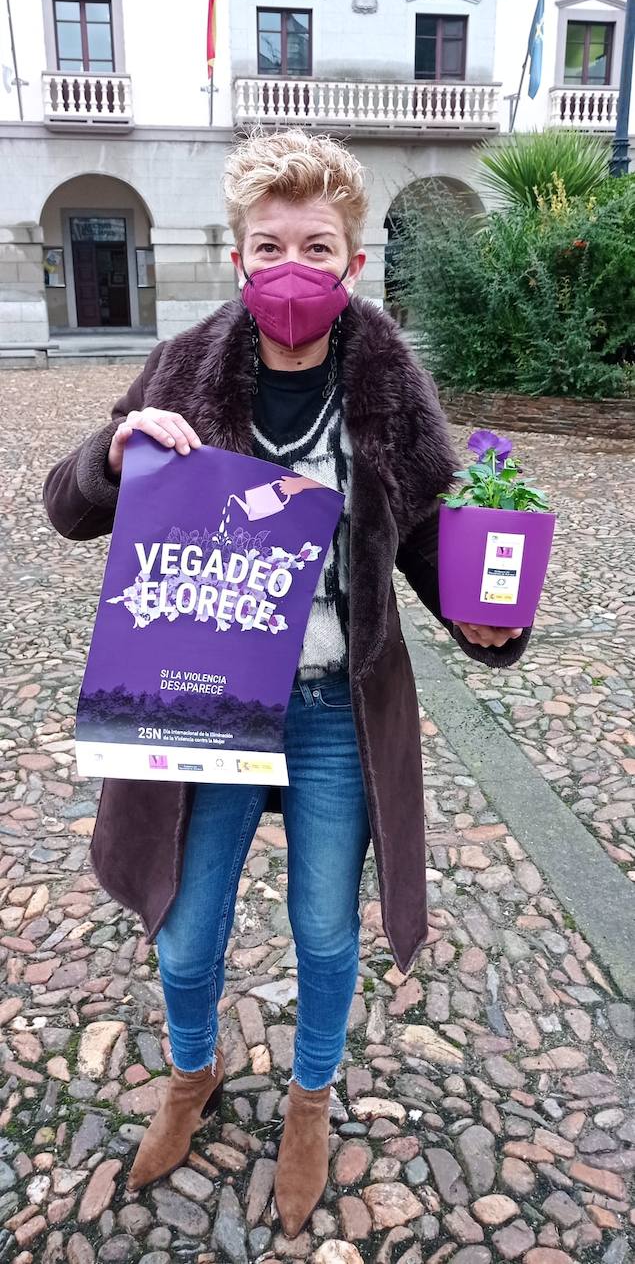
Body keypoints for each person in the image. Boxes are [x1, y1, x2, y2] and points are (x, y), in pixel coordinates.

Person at [43, 128, 531, 1238]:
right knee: (184, 929)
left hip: (328, 709)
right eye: (270, 245)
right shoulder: (181, 364)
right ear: (238, 256)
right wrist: (114, 450)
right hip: (200, 702)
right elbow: (70, 511)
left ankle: (308, 1103)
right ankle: (190, 1073)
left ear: (352, 260)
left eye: (318, 244)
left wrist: (484, 615)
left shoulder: (390, 384)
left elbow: (425, 542)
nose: (293, 266)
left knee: (321, 928)